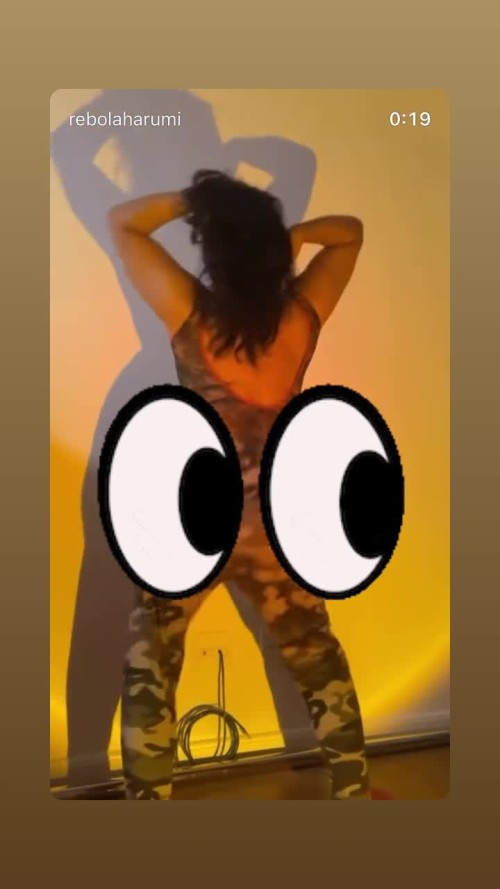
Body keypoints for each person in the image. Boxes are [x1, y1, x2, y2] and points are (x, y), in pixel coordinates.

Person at [107, 169, 369, 800]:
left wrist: (206, 202)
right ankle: (354, 791)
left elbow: (124, 223)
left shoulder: (192, 313)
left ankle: (147, 811)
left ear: (216, 249)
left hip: (197, 522)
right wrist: (293, 235)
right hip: (276, 526)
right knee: (314, 651)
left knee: (152, 663)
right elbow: (351, 234)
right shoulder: (302, 314)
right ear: (272, 252)